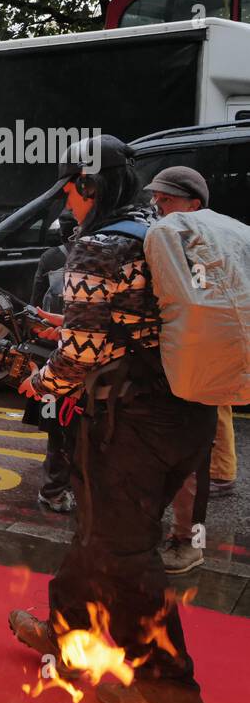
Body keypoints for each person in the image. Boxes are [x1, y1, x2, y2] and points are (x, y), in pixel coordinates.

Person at [11, 137, 217, 703]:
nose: (67, 205)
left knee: (124, 551)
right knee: (99, 528)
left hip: (133, 425)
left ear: (89, 185)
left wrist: (42, 381)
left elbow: (81, 355)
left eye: (69, 192)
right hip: (189, 413)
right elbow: (135, 322)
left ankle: (166, 686)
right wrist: (70, 326)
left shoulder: (101, 244)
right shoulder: (159, 230)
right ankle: (64, 629)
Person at [143, 166, 238, 575]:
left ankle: (189, 541)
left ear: (194, 204)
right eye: (156, 198)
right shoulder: (177, 242)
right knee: (175, 460)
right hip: (177, 369)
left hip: (197, 372)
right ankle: (167, 535)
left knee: (192, 466)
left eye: (166, 199)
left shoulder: (201, 250)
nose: (157, 206)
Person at [30, 211, 79, 514]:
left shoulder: (50, 258)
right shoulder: (100, 253)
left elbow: (35, 301)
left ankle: (53, 488)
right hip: (80, 351)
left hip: (51, 348)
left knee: (54, 423)